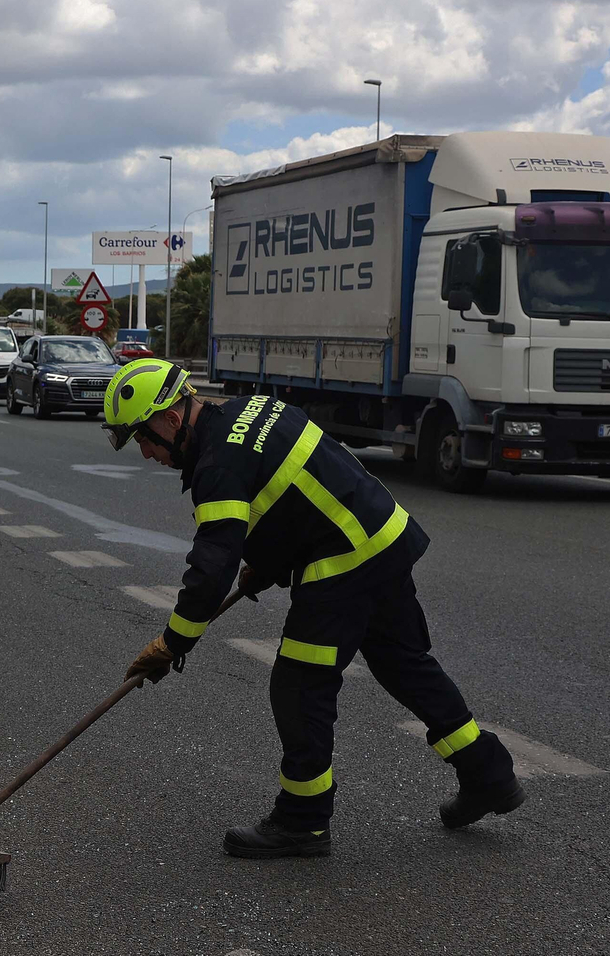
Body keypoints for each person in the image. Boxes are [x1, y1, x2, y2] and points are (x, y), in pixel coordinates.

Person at [105, 358, 522, 859]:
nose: (146, 453)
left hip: (345, 562)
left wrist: (172, 642)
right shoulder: (254, 408)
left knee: (299, 686)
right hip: (383, 538)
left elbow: (211, 569)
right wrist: (268, 563)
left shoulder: (217, 466)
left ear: (171, 419)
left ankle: (302, 821)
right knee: (405, 665)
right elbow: (297, 492)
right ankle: (488, 774)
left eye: (143, 438)